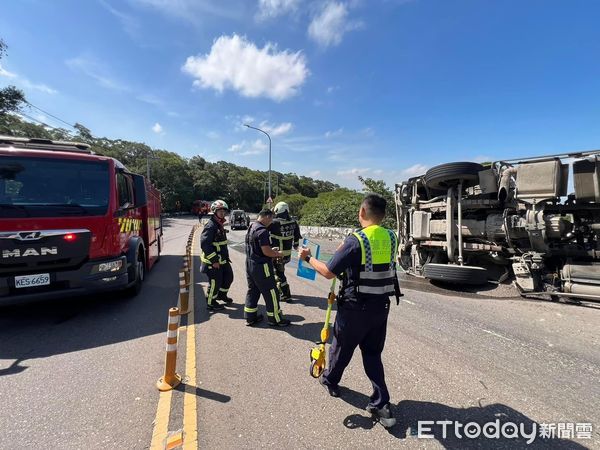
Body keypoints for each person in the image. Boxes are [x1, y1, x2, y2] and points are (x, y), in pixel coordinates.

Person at [298, 194, 401, 428]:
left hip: (355, 309)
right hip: (381, 308)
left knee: (342, 349)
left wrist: (308, 258)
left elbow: (328, 271)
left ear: (362, 212)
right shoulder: (391, 237)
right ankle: (381, 403)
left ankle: (331, 380)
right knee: (373, 355)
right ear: (382, 216)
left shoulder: (356, 240)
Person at [244, 209, 291, 327]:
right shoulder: (262, 231)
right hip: (262, 266)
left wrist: (271, 251)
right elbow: (266, 251)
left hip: (250, 264)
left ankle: (250, 317)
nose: (271, 222)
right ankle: (275, 319)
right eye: (271, 219)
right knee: (271, 291)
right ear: (267, 217)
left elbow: (258, 248)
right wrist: (278, 253)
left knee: (253, 290)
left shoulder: (252, 227)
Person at [200, 200, 234, 311]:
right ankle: (211, 302)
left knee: (228, 277)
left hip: (222, 260)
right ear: (214, 211)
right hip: (213, 262)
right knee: (215, 282)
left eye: (224, 211)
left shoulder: (219, 224)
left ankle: (221, 295)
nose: (222, 213)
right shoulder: (211, 226)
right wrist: (214, 260)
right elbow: (205, 244)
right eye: (220, 211)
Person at [269, 201, 302, 302]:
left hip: (277, 254)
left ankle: (286, 294)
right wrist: (296, 246)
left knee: (278, 273)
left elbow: (263, 225)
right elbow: (297, 239)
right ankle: (280, 290)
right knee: (279, 271)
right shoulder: (293, 222)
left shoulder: (274, 223)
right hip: (287, 255)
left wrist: (269, 213)